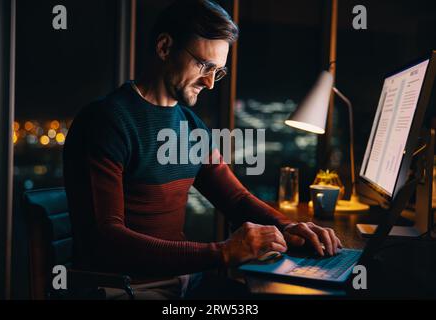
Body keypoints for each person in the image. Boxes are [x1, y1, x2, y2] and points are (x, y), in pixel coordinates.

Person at [63, 0, 342, 299]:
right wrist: (223, 252)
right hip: (126, 289)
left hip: (182, 283)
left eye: (218, 71)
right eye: (205, 66)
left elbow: (235, 199)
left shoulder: (191, 126)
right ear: (165, 47)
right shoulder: (106, 121)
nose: (210, 83)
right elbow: (108, 241)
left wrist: (290, 227)